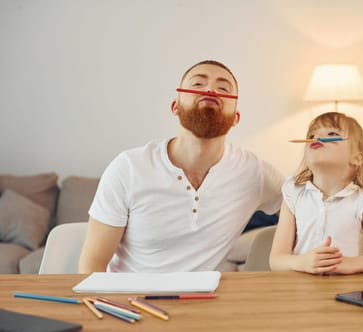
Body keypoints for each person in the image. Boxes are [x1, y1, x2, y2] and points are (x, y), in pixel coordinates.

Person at [78, 60, 284, 273]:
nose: (211, 90)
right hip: (130, 302)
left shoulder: (255, 172)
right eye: (197, 84)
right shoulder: (128, 168)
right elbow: (92, 264)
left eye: (223, 88)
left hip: (203, 302)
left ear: (235, 118)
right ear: (175, 107)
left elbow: (304, 206)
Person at [269, 112, 363, 275]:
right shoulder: (293, 194)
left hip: (346, 295)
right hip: (298, 297)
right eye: (312, 135)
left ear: (356, 159)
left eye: (332, 134)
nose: (317, 138)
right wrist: (302, 262)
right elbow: (276, 260)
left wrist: (351, 264)